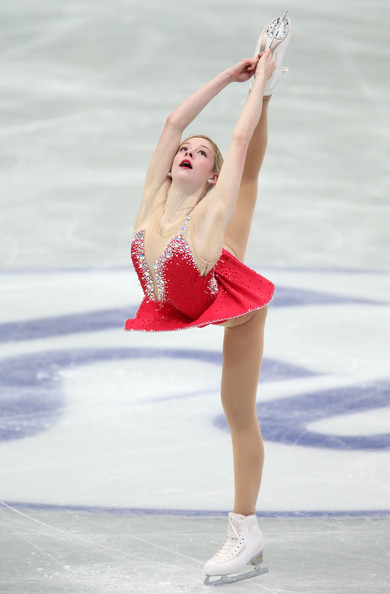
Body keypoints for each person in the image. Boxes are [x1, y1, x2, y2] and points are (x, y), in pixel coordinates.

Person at [125, 11, 291, 585]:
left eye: (201, 152)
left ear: (208, 177)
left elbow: (239, 145)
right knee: (234, 205)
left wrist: (261, 82)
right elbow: (173, 122)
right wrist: (231, 75)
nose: (188, 151)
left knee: (237, 412)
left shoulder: (211, 207)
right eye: (185, 151)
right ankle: (263, 84)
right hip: (187, 288)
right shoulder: (153, 202)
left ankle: (245, 529)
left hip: (229, 295)